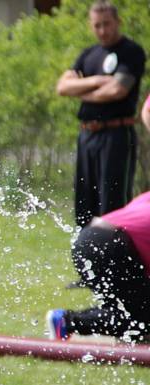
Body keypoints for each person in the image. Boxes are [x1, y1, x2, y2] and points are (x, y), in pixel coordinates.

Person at [56, 1, 146, 229]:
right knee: (85, 203)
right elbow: (63, 87)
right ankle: (88, 256)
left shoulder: (131, 52)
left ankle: (115, 258)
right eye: (97, 25)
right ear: (91, 25)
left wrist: (81, 90)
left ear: (118, 22)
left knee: (112, 204)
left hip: (116, 135)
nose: (103, 30)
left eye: (107, 24)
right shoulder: (88, 55)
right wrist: (96, 81)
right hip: (87, 135)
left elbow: (117, 90)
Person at [46, 191, 150, 343]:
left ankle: (133, 337)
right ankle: (66, 322)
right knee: (139, 317)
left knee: (129, 310)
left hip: (87, 238)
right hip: (111, 243)